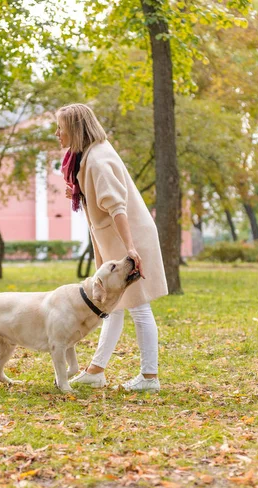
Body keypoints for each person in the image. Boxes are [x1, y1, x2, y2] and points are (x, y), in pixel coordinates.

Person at [56, 103, 168, 392]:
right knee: (112, 307)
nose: (58, 133)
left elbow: (117, 207)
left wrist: (131, 249)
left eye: (61, 128)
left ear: (75, 129)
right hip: (114, 240)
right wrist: (79, 193)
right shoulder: (87, 156)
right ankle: (96, 371)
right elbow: (100, 200)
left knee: (138, 307)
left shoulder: (97, 159)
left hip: (127, 239)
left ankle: (149, 377)